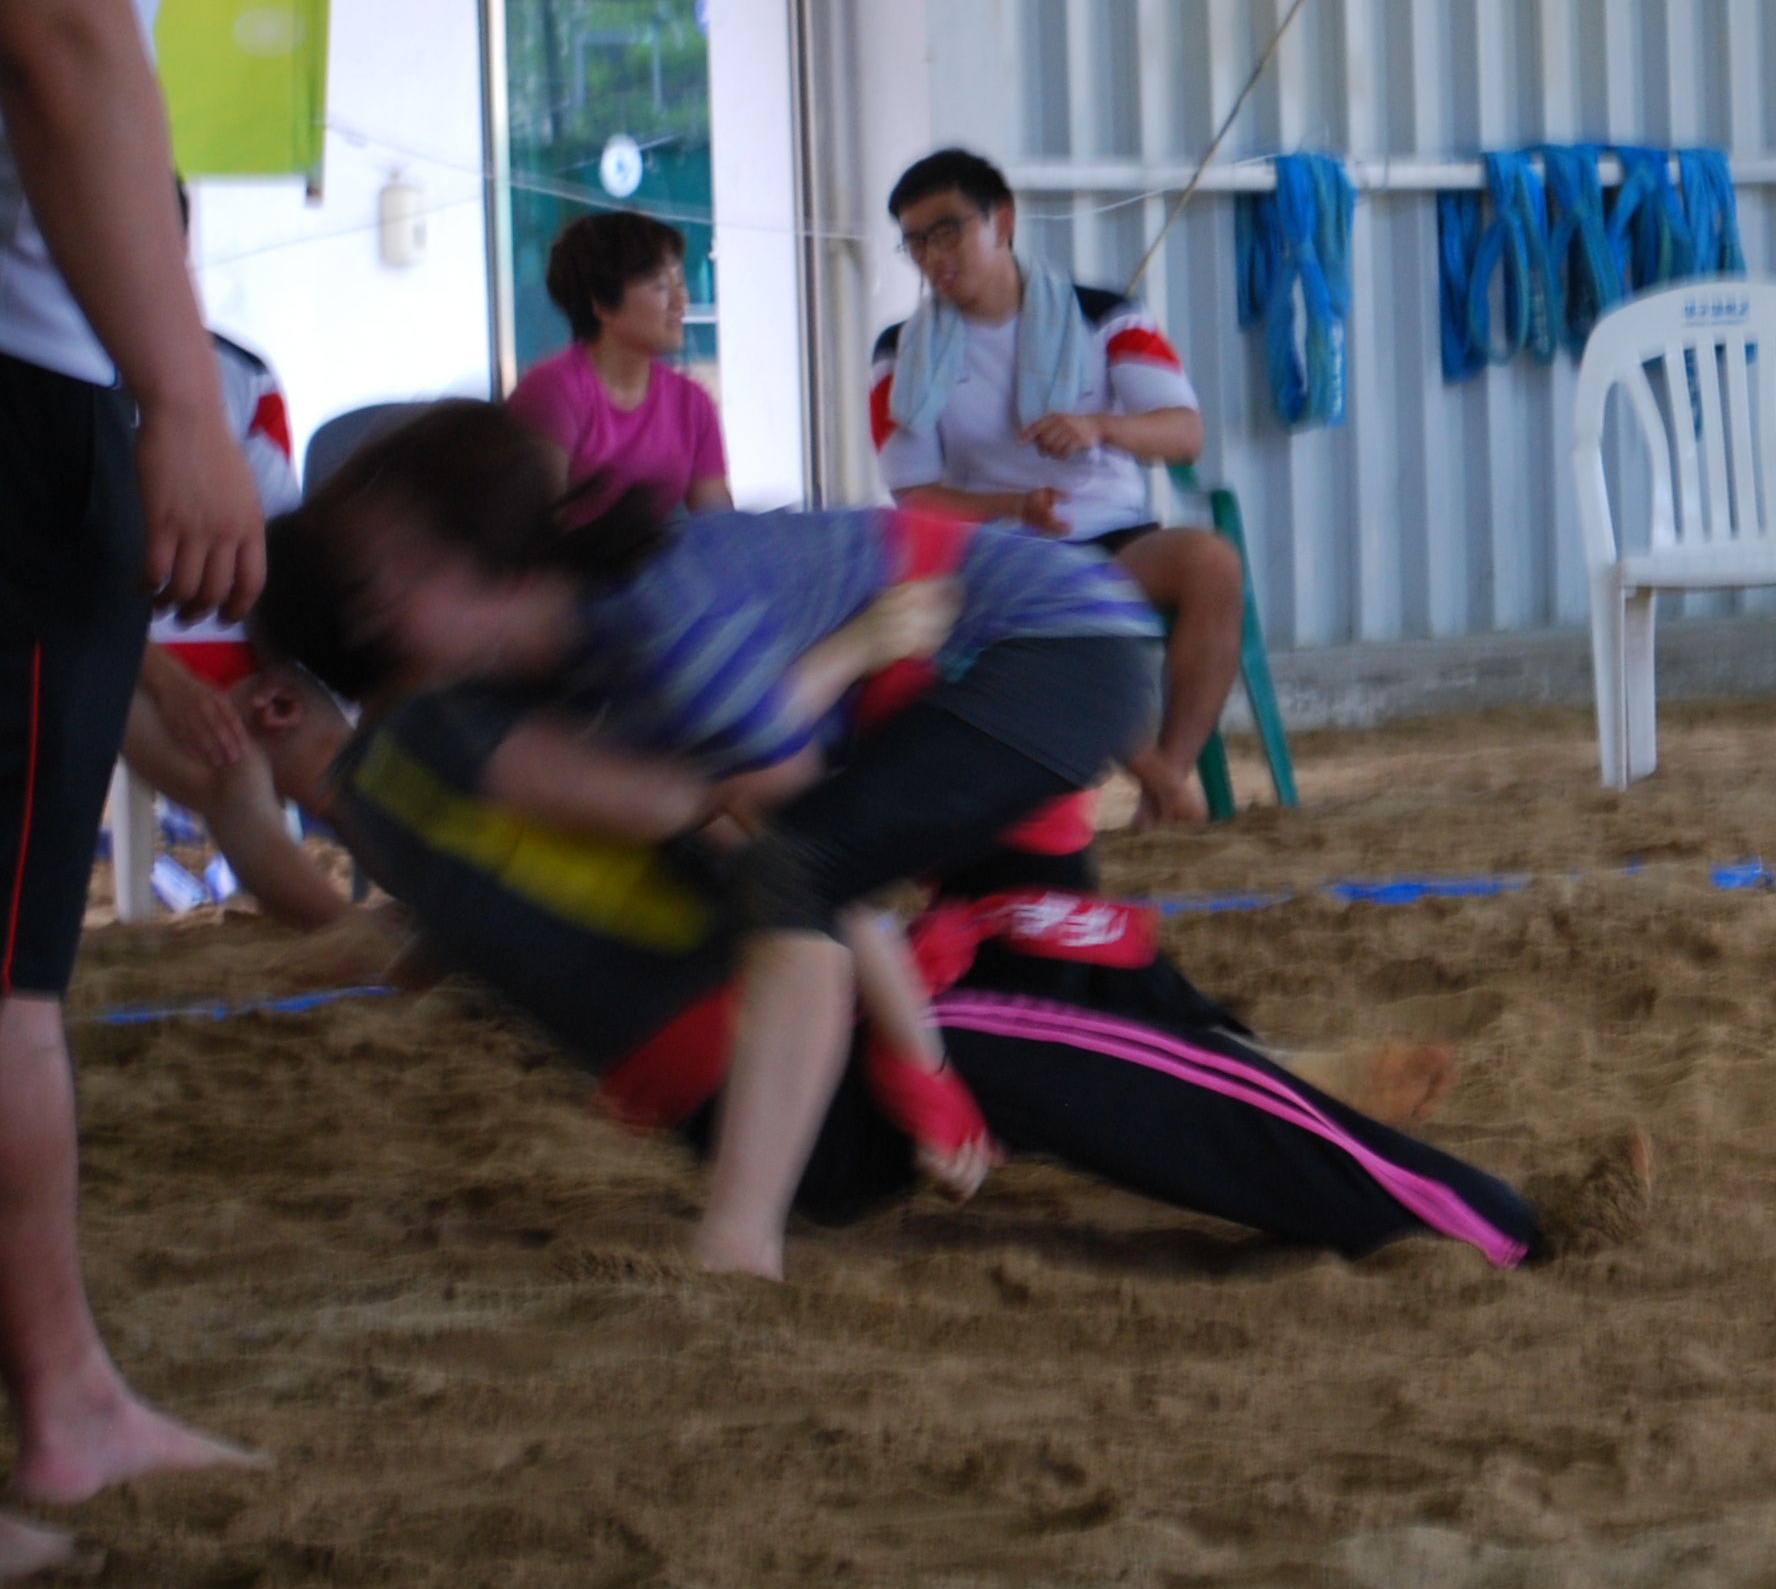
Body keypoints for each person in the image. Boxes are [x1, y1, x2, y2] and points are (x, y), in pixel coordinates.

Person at [255, 402, 1168, 1279]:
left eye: (396, 582)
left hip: (1039, 646)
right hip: (962, 666)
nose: (376, 618)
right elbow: (725, 812)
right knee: (1057, 992)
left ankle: (740, 1246)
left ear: (484, 567)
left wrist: (921, 1069)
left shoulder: (653, 632)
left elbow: (794, 849)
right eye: (369, 596)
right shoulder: (558, 662)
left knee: (835, 895)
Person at [240, 669, 1571, 1269]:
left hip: (782, 1089)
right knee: (1079, 1020)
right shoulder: (458, 760)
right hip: (833, 1063)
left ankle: (1281, 1074)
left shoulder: (419, 807)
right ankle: (1488, 1226)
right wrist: (923, 1065)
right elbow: (801, 879)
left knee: (1064, 984)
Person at [0, 0, 265, 1579]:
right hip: (15, 389)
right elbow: (72, 42)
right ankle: (61, 1408)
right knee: (6, 958)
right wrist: (182, 395)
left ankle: (71, 1389)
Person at [871, 148, 1245, 827]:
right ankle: (1164, 785)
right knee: (1039, 612)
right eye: (915, 241)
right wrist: (1012, 507)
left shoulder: (1106, 314)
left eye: (947, 231)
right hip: (999, 554)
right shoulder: (901, 352)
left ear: (1002, 221)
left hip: (1114, 538)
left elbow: (1185, 432)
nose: (932, 256)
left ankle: (1169, 778)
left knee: (1212, 564)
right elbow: (915, 497)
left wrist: (1100, 425)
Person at [127, 268, 356, 933]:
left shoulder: (239, 376)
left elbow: (273, 548)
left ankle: (462, 926)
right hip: (116, 658)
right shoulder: (51, 383)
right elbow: (60, 591)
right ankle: (355, 938)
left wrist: (280, 665)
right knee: (236, 770)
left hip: (239, 643)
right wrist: (172, 685)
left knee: (341, 765)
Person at [505, 209, 730, 520]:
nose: (681, 301)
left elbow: (719, 527)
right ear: (602, 305)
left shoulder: (692, 403)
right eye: (660, 286)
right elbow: (538, 527)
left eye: (679, 282)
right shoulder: (552, 391)